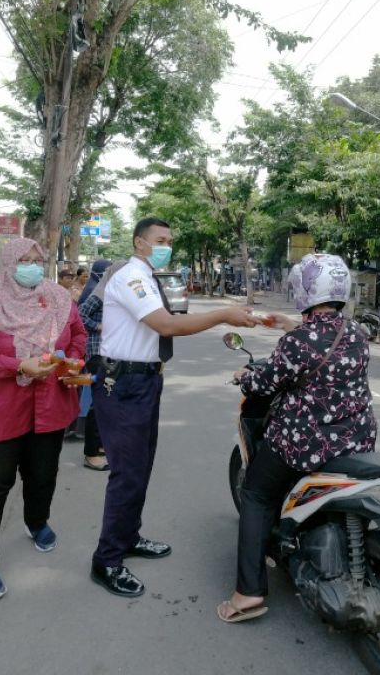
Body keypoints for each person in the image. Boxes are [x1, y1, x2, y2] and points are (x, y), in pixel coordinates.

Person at [89, 217, 257, 598]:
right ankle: (107, 560)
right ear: (139, 243)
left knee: (141, 466)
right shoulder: (131, 277)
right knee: (127, 473)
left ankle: (128, 536)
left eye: (170, 240)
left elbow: (166, 322)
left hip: (145, 379)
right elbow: (166, 325)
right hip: (124, 383)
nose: (167, 245)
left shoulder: (148, 276)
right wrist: (222, 315)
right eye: (160, 240)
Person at [218, 253, 377, 623]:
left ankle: (248, 595)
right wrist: (289, 324)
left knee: (256, 493)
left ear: (303, 290)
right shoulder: (357, 333)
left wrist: (245, 375)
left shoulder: (299, 341)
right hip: (357, 439)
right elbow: (323, 342)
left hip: (306, 444)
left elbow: (266, 380)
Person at [0, 238, 88, 603]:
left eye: (36, 260)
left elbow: (78, 333)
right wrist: (18, 365)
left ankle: (37, 521)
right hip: (0, 409)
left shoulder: (58, 298)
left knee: (43, 473)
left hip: (50, 404)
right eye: (23, 260)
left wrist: (73, 359)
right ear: (8, 263)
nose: (31, 266)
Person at [66, 258, 116, 469]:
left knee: (108, 399)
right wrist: (99, 326)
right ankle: (91, 453)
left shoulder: (106, 289)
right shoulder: (98, 292)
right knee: (101, 401)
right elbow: (79, 315)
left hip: (106, 351)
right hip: (96, 352)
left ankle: (101, 445)